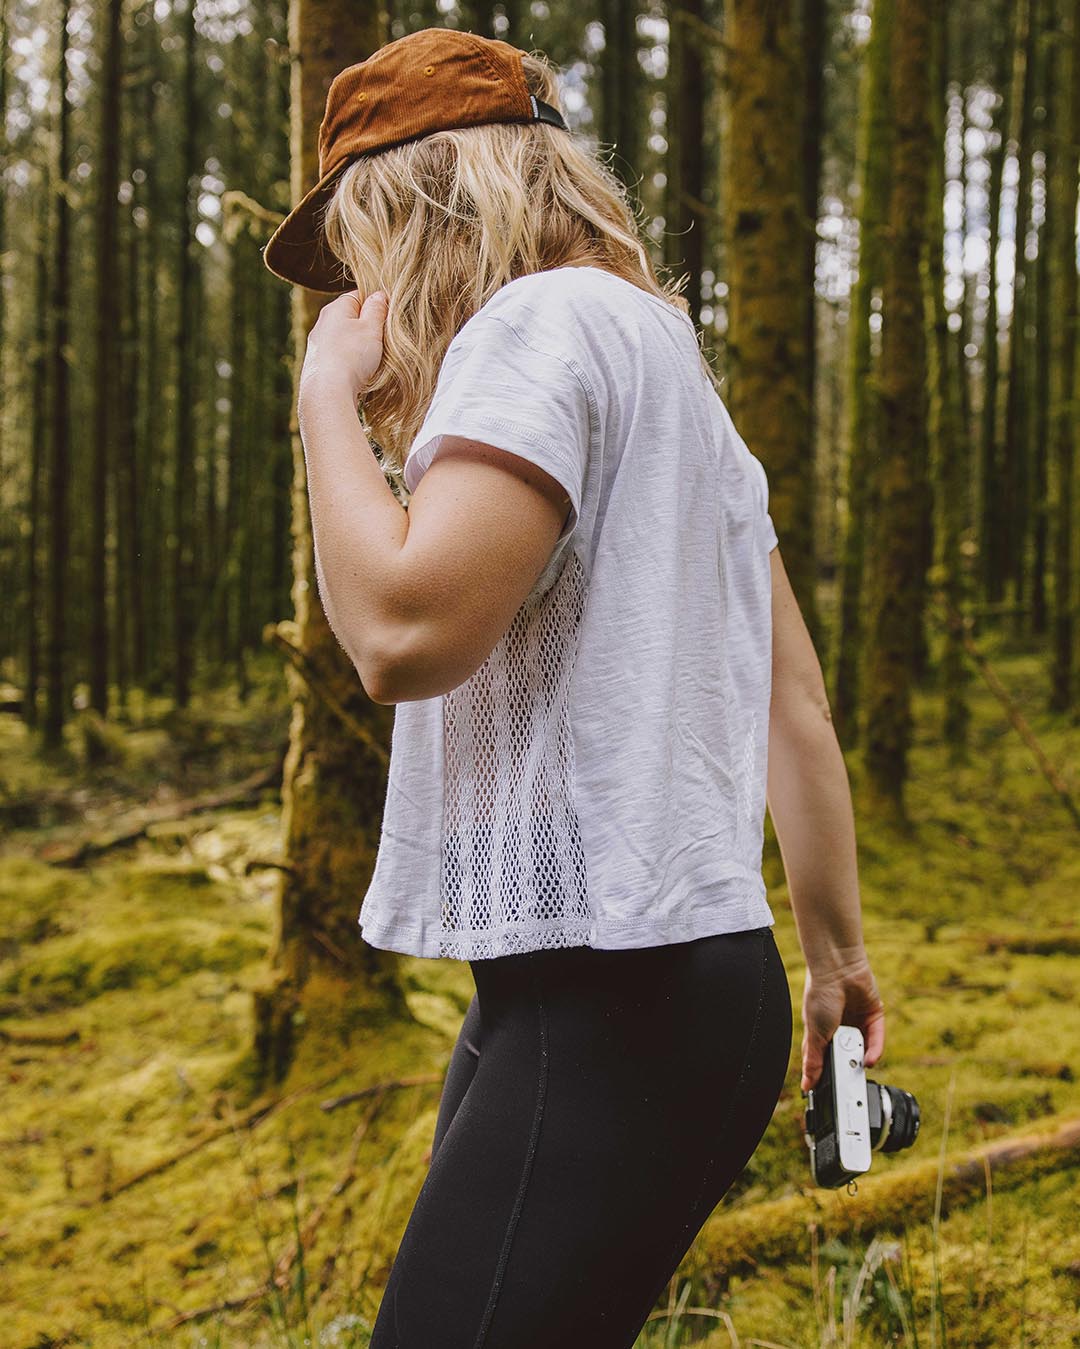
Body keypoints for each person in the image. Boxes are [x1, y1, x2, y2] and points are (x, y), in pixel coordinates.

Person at [263, 25, 886, 1349]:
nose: (358, 296)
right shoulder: (670, 371)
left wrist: (321, 397)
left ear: (423, 200)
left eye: (363, 245)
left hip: (615, 996)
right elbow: (797, 712)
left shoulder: (538, 328)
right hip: (670, 986)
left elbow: (402, 632)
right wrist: (837, 958)